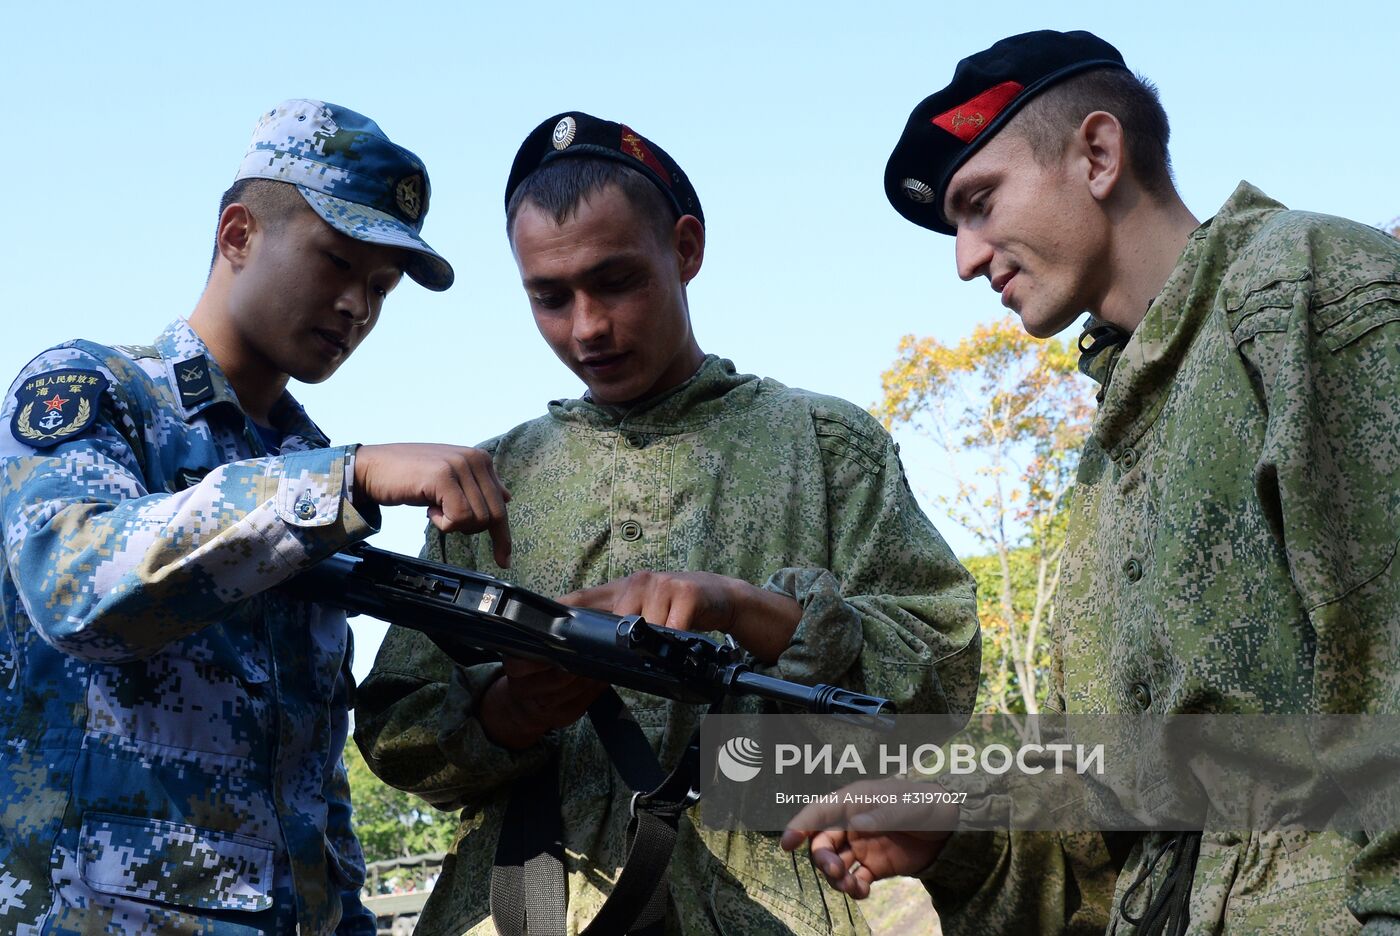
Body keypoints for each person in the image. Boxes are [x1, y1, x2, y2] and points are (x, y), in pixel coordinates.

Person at [782, 29, 1400, 935]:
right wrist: (955, 819)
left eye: (980, 204)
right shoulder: (1107, 458)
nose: (964, 257)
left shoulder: (1307, 288)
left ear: (1100, 154)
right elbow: (1121, 790)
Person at [354, 111, 981, 936]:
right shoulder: (486, 484)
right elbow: (397, 729)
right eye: (549, 297)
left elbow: (936, 674)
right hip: (532, 907)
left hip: (781, 905)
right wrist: (517, 708)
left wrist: (748, 611)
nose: (587, 327)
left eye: (615, 281)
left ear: (685, 249)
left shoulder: (826, 446)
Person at [0, 99, 511, 935]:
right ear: (238, 235)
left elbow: (308, 772)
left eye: (380, 288)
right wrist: (344, 478)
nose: (358, 307)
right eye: (336, 264)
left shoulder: (307, 471)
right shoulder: (93, 392)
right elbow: (71, 587)